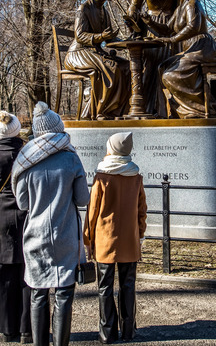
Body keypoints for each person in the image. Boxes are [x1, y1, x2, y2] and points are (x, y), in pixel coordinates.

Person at [11, 102, 90, 346]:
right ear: (58, 129)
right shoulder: (71, 158)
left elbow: (22, 203)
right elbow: (83, 199)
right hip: (65, 234)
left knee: (38, 294)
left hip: (35, 235)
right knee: (64, 294)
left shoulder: (25, 161)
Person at [83, 132, 147, 344]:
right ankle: (128, 330)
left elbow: (92, 212)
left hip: (105, 240)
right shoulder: (135, 176)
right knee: (128, 285)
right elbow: (141, 210)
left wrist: (87, 239)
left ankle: (107, 332)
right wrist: (140, 233)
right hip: (129, 239)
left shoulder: (102, 177)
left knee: (105, 287)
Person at [0, 111, 32, 344]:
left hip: (2, 216)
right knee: (27, 275)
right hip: (25, 213)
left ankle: (8, 329)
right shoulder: (28, 153)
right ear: (18, 130)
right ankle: (27, 329)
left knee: (2, 277)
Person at [144, 0, 216, 118]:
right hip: (192, 49)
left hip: (202, 48)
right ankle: (169, 112)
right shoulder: (180, 8)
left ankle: (200, 109)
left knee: (170, 75)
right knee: (162, 67)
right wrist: (149, 22)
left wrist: (172, 40)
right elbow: (167, 28)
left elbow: (193, 26)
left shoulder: (192, 4)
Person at [64, 0, 131, 120]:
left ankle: (117, 111)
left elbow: (110, 39)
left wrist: (129, 42)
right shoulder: (84, 8)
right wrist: (100, 37)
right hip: (78, 53)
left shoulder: (104, 12)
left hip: (94, 52)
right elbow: (79, 36)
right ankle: (101, 111)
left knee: (126, 66)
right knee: (111, 67)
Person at [126, 0, 178, 117]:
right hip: (150, 29)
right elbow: (134, 5)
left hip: (170, 28)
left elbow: (181, 6)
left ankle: (169, 110)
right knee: (149, 68)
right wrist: (132, 15)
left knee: (168, 67)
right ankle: (148, 109)